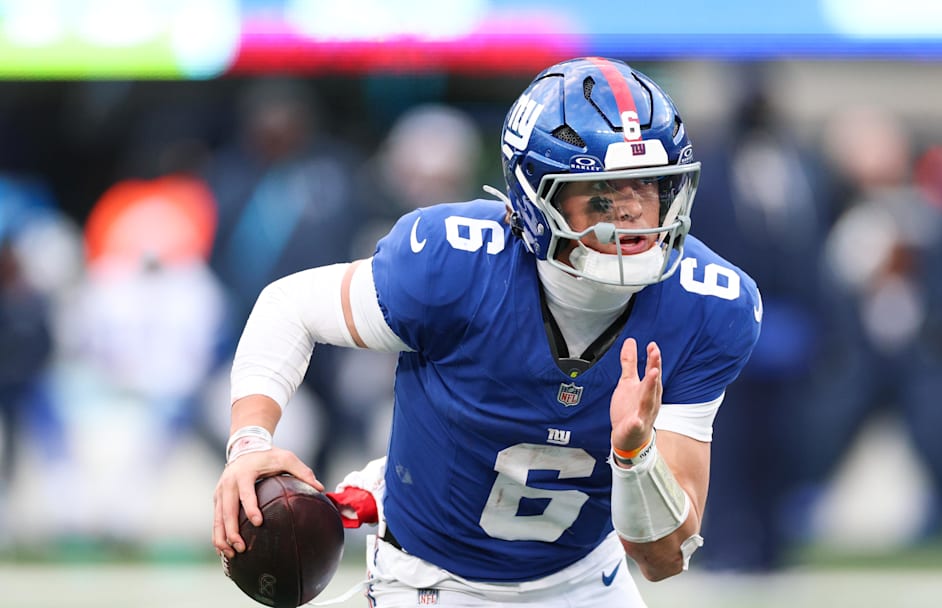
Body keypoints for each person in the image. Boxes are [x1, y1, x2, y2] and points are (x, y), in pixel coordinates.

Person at [212, 57, 762, 607]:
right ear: (536, 200)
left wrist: (635, 455)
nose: (634, 218)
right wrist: (250, 444)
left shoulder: (708, 304)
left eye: (649, 188)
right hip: (433, 577)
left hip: (586, 579)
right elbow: (289, 306)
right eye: (602, 196)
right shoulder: (454, 263)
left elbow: (664, 558)